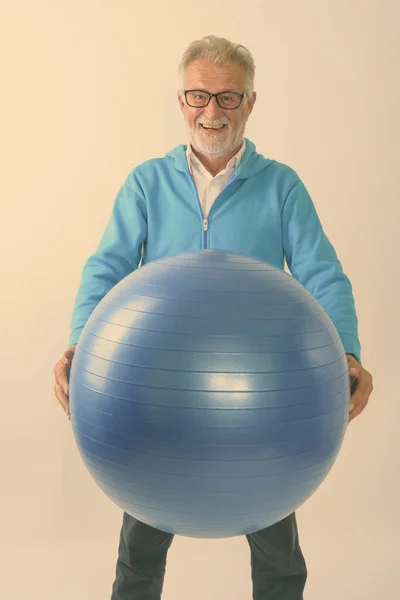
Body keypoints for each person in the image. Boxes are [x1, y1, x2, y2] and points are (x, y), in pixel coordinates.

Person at [54, 35, 373, 600]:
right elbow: (107, 268)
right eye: (199, 96)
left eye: (228, 98)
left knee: (277, 544)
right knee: (140, 548)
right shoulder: (147, 184)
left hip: (259, 396)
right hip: (157, 392)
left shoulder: (280, 185)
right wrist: (81, 345)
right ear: (181, 101)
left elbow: (322, 271)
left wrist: (347, 352)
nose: (211, 111)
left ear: (251, 103)